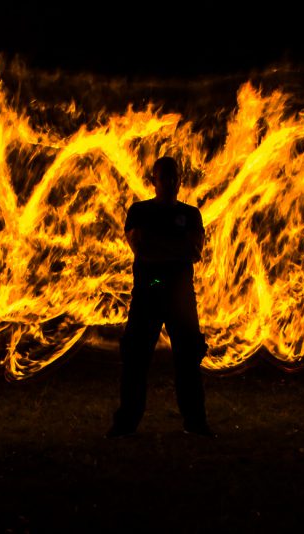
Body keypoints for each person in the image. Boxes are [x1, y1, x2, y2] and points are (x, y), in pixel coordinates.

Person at [106, 156, 214, 438]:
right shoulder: (139, 211)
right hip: (149, 291)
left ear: (180, 180)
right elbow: (141, 249)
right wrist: (174, 249)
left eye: (173, 176)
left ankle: (196, 423)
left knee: (188, 360)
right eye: (163, 176)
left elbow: (194, 252)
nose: (168, 182)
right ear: (153, 180)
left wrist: (158, 245)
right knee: (135, 360)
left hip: (180, 294)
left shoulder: (191, 215)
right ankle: (126, 424)